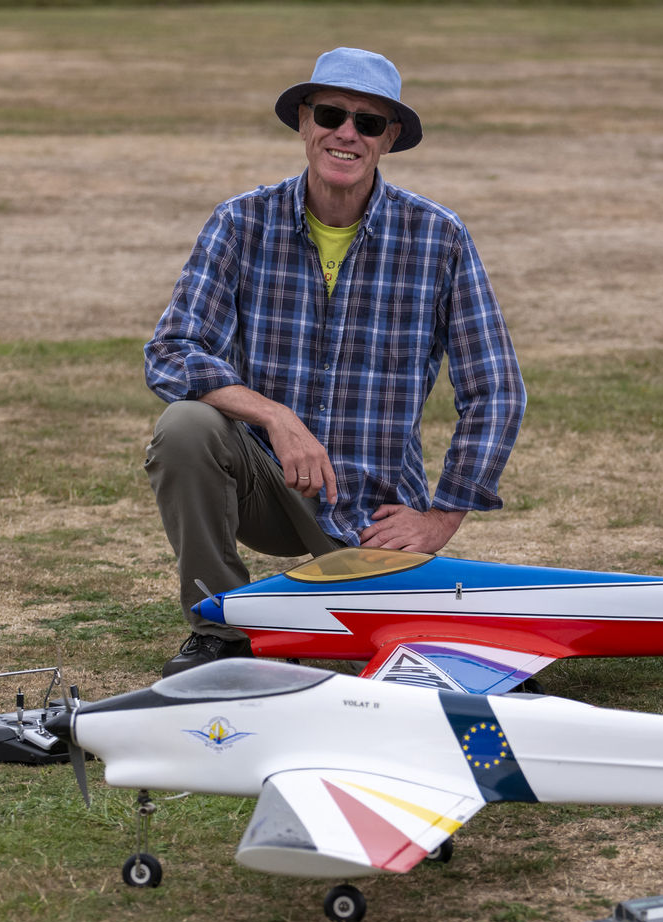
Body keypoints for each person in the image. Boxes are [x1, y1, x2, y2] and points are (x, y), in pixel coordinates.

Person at [143, 48, 526, 677]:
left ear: (389, 138)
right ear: (303, 122)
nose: (346, 133)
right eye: (330, 114)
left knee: (405, 664)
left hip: (374, 518)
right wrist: (275, 417)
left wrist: (442, 516)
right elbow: (172, 349)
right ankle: (223, 631)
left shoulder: (438, 237)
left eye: (367, 122)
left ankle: (364, 596)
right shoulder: (241, 222)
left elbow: (497, 391)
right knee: (185, 426)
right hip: (269, 487)